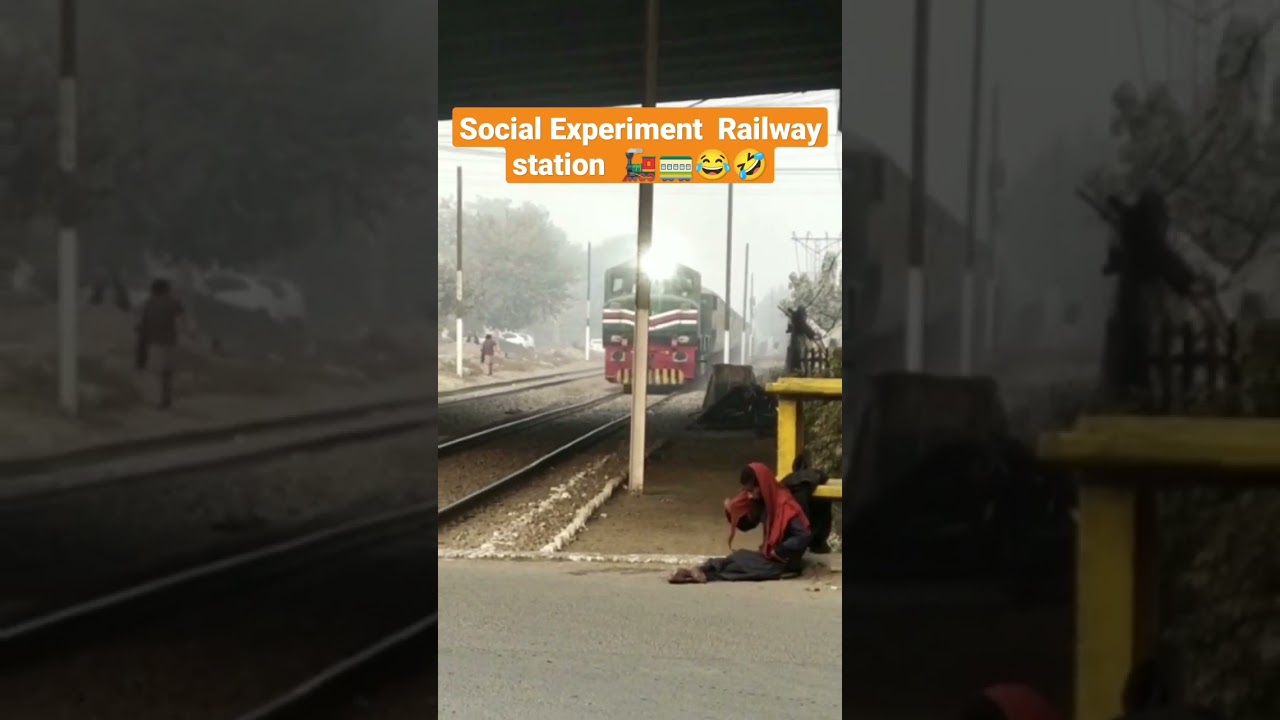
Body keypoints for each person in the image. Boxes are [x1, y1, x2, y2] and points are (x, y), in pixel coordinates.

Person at [668, 462, 812, 583]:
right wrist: (731, 512)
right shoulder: (764, 501)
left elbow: (804, 535)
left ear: (762, 486)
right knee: (739, 557)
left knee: (744, 566)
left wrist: (780, 549)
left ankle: (699, 574)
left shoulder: (785, 504)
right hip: (769, 556)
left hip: (783, 562)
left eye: (752, 490)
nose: (749, 495)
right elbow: (747, 525)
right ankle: (702, 570)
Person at [136, 278, 186, 408]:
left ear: (153, 290)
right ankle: (167, 399)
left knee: (156, 373)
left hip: (154, 343)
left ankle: (158, 401)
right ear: (166, 289)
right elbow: (181, 322)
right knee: (168, 372)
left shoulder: (148, 304)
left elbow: (141, 325)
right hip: (171, 342)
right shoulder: (174, 303)